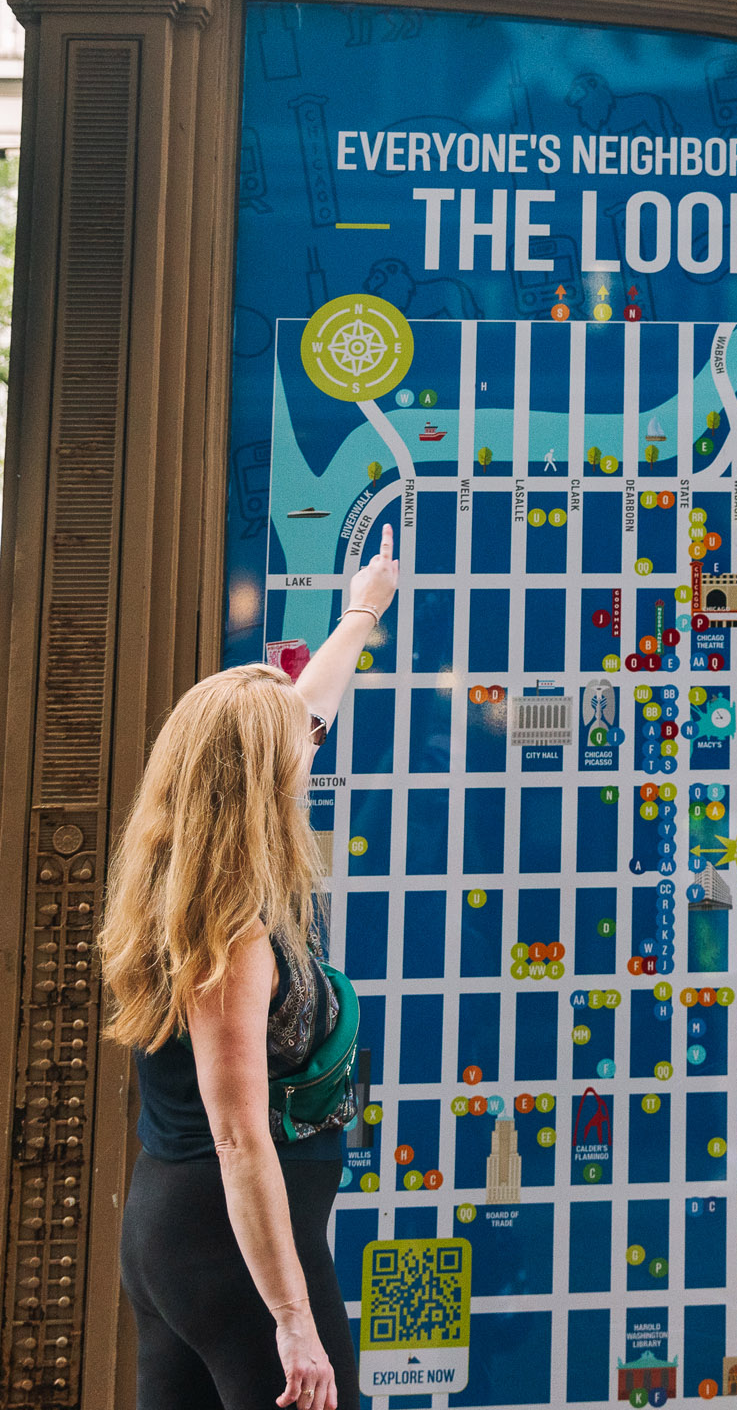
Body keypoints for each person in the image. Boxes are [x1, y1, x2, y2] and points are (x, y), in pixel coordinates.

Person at [101, 527, 401, 1410]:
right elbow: (238, 1138)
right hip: (234, 1257)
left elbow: (308, 707)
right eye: (299, 744)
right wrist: (293, 1319)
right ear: (266, 777)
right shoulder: (233, 938)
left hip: (170, 1233)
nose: (314, 743)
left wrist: (362, 610)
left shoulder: (181, 879)